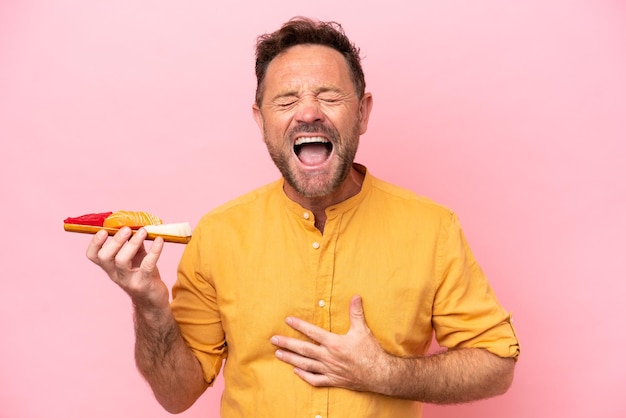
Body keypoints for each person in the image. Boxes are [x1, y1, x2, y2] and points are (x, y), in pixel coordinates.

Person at [86, 17, 520, 418]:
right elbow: (175, 395)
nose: (308, 112)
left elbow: (496, 364)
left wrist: (386, 373)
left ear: (363, 112)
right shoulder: (219, 234)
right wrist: (150, 306)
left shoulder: (432, 228)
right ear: (261, 121)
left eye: (329, 96)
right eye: (286, 99)